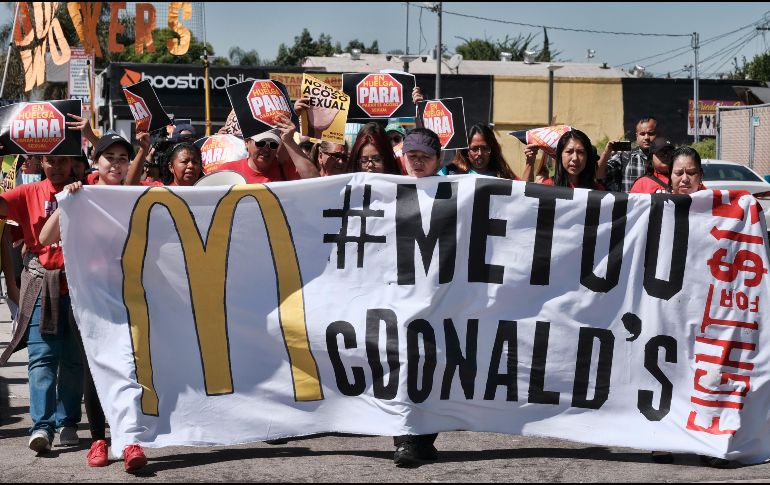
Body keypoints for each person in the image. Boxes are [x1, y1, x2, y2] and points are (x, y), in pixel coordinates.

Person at [39, 132, 150, 471]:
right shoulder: (79, 194)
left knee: (130, 369)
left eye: (122, 158)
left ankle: (129, 440)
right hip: (86, 301)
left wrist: (144, 149)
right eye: (109, 157)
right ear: (95, 162)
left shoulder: (131, 195)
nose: (116, 163)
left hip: (128, 298)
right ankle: (99, 440)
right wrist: (66, 203)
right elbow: (45, 238)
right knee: (94, 370)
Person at [0, 154, 83, 455]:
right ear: (40, 163)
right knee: (42, 358)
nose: (57, 166)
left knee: (74, 360)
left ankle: (68, 421)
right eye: (51, 161)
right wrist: (2, 164)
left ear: (74, 162)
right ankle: (42, 426)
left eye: (64, 160)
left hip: (79, 288)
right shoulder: (26, 193)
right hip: (40, 284)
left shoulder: (85, 189)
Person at [392, 127, 443, 468]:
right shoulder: (387, 191)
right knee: (405, 364)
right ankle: (404, 439)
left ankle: (423, 439)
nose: (418, 163)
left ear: (439, 160)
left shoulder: (457, 191)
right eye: (412, 156)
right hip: (400, 295)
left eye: (425, 157)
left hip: (442, 295)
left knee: (437, 366)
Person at [214, 115, 319, 183]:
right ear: (247, 142)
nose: (266, 149)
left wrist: (289, 141)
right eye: (261, 143)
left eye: (273, 144)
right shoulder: (228, 171)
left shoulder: (284, 169)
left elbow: (315, 181)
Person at [597, 116, 659, 192]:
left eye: (650, 133)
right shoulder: (624, 156)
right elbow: (598, 175)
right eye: (642, 134)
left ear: (658, 134)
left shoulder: (666, 159)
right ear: (637, 136)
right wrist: (606, 154)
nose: (646, 137)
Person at [440, 124, 518, 179]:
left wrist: (529, 162)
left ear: (492, 149)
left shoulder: (502, 176)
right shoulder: (450, 172)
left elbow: (520, 195)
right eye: (474, 149)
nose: (480, 153)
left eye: (485, 148)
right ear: (466, 151)